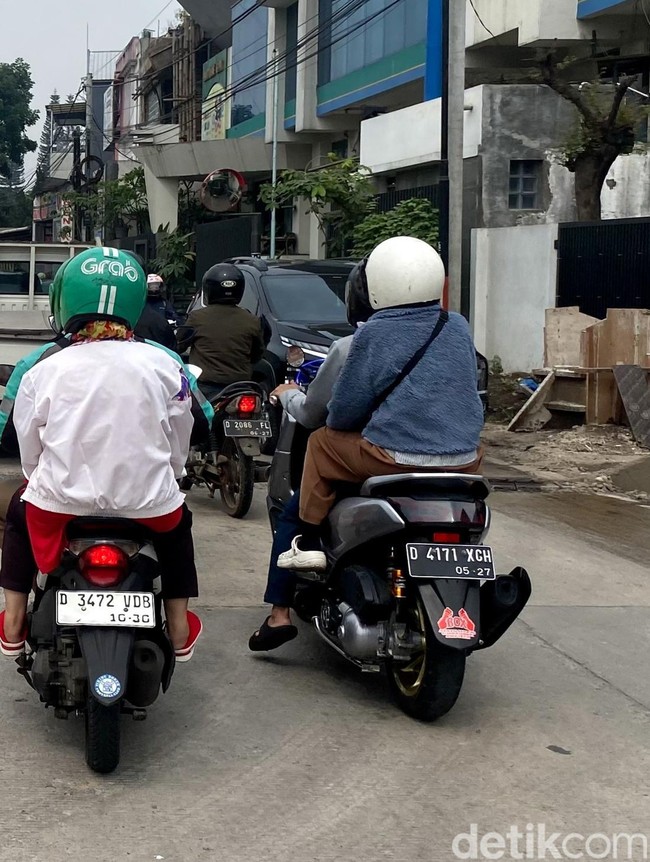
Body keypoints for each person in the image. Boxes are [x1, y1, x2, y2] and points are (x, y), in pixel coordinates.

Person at [0, 248, 209, 661]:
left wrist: (38, 479)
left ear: (64, 301)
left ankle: (11, 623)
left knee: (18, 518)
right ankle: (180, 627)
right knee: (178, 526)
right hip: (150, 505)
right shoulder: (165, 363)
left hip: (58, 505)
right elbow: (186, 431)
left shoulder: (43, 366)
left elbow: (24, 441)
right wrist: (171, 474)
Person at [277, 236, 485, 572]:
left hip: (395, 460)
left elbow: (341, 416)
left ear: (376, 287)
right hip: (466, 460)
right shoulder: (456, 325)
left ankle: (310, 542)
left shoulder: (371, 334)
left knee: (320, 442)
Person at [248, 264, 375, 651]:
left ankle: (279, 613)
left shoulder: (352, 346)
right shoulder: (451, 332)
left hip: (378, 456)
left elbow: (312, 414)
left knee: (298, 511)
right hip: (455, 462)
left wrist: (286, 392)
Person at [176, 264, 265, 402]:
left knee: (190, 419)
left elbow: (178, 346)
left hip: (205, 388)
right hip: (241, 387)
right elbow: (257, 354)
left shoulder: (196, 318)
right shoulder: (252, 320)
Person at [133, 273, 178, 349]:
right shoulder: (141, 303)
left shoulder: (164, 303)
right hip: (143, 338)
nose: (154, 288)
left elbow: (174, 317)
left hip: (161, 335)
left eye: (156, 285)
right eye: (151, 286)